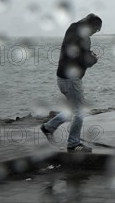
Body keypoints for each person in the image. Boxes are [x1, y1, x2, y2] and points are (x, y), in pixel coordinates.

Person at [40, 13, 102, 152]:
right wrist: (94, 58)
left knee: (73, 110)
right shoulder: (84, 38)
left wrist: (87, 54)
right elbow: (84, 60)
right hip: (71, 80)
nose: (94, 33)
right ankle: (73, 144)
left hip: (61, 78)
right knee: (80, 111)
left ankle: (48, 127)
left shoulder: (72, 28)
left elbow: (75, 52)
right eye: (96, 29)